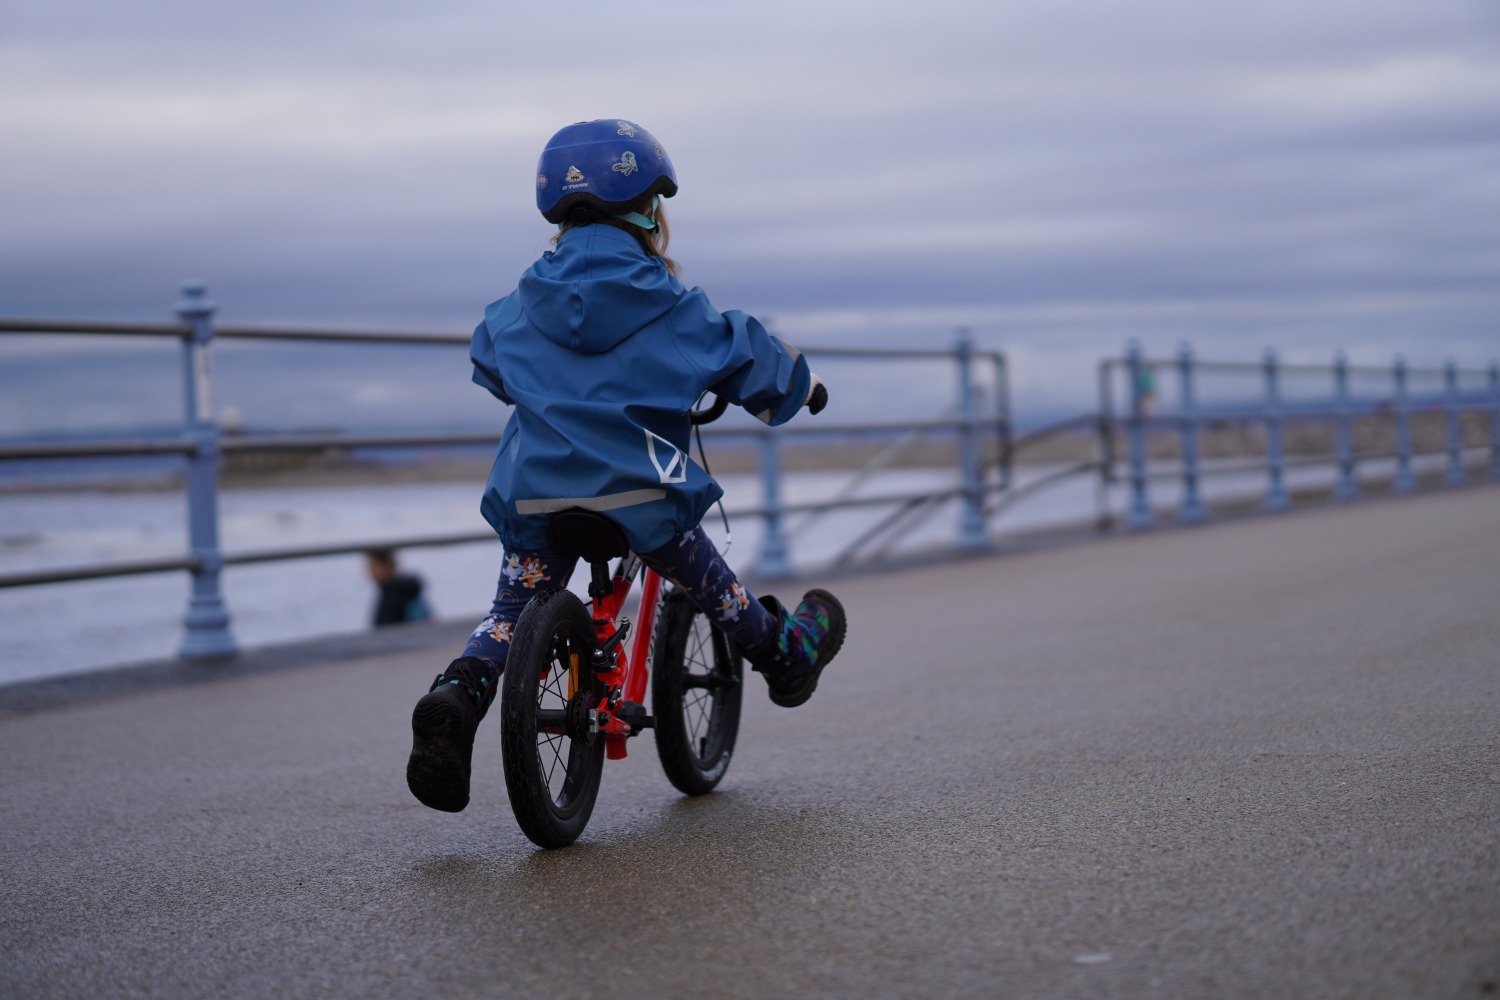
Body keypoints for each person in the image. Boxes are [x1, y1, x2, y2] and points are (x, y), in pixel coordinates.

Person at [406, 118, 847, 813]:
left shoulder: (518, 305)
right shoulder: (667, 302)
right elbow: (742, 353)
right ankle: (782, 656)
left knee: (508, 612)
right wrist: (801, 387)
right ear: (648, 209)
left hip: (538, 493)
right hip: (640, 492)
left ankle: (458, 694)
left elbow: (489, 360)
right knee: (713, 586)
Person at [365, 548, 432, 628]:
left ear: (385, 566)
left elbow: (383, 629)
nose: (368, 571)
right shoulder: (407, 587)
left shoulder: (391, 594)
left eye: (372, 565)